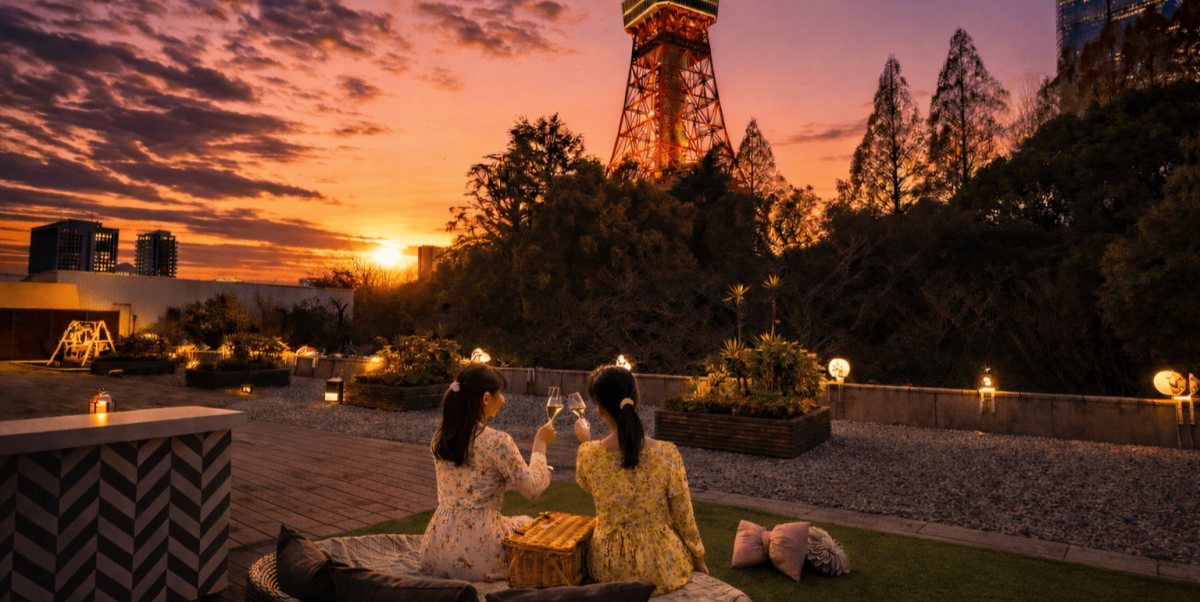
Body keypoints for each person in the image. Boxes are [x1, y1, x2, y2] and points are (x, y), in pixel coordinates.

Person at [573, 366, 708, 595]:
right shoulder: (667, 454)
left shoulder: (588, 454)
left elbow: (589, 484)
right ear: (638, 399)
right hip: (661, 565)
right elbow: (683, 515)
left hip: (608, 567)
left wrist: (585, 442)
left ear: (598, 410)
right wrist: (698, 558)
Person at [420, 363, 557, 581]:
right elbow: (532, 489)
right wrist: (540, 445)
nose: (503, 399)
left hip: (436, 548)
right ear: (485, 399)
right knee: (531, 525)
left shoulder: (441, 436)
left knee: (517, 521)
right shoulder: (497, 442)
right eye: (499, 394)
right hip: (479, 553)